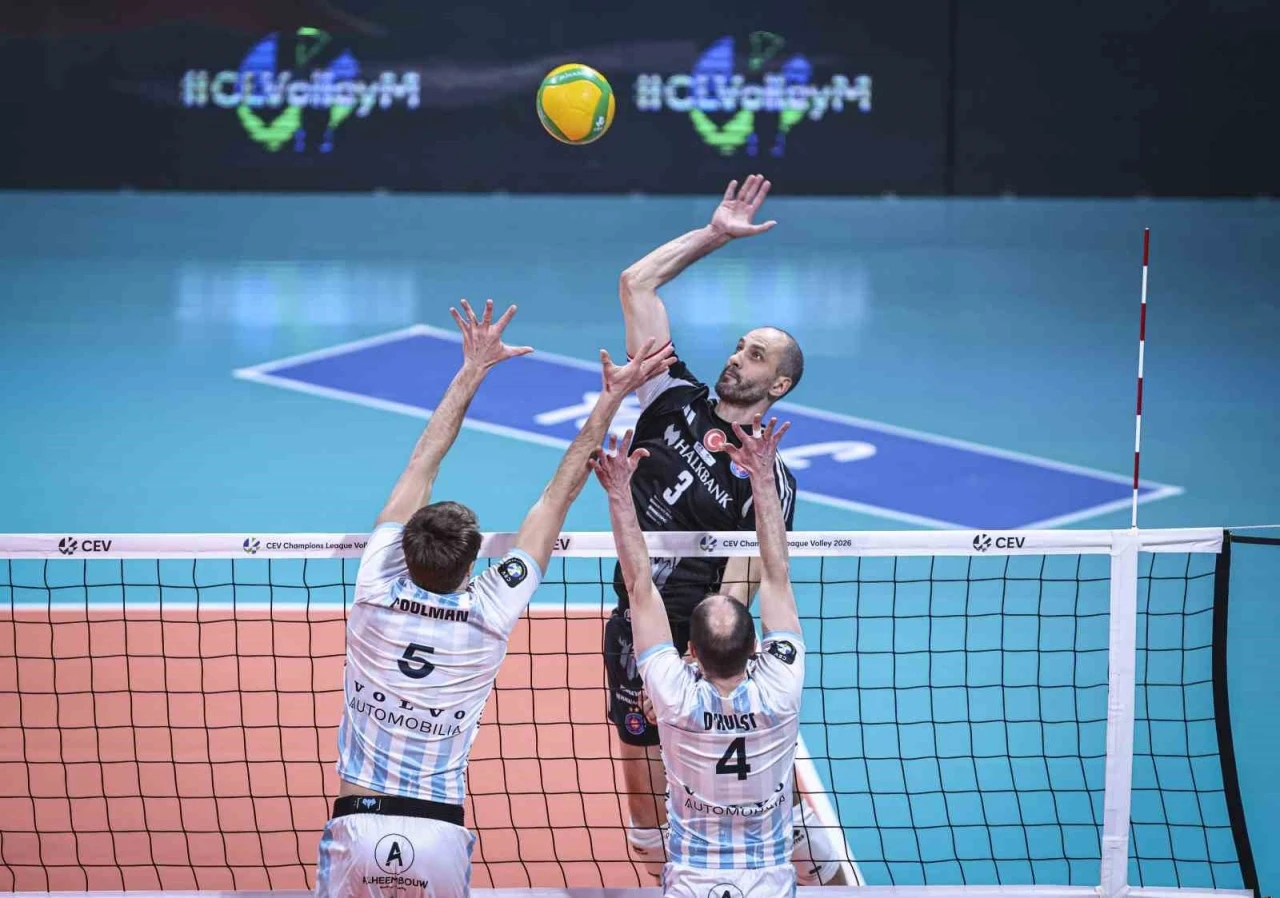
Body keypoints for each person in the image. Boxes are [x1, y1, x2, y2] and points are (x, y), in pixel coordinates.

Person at [314, 298, 675, 898]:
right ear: (472, 563)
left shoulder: (374, 588)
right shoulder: (488, 611)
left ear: (405, 549)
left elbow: (423, 462)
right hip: (439, 830)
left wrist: (472, 367)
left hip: (357, 820)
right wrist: (612, 397)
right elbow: (556, 497)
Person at [607, 174, 846, 885]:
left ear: (779, 386)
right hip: (634, 618)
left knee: (746, 776)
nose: (738, 357)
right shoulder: (670, 395)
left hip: (704, 643)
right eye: (741, 345)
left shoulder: (768, 479)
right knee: (640, 781)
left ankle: (813, 856)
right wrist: (714, 235)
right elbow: (636, 283)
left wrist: (690, 667)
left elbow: (743, 587)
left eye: (757, 355)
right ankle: (665, 862)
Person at [594, 416, 808, 897]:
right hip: (769, 881)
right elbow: (776, 575)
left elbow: (640, 586)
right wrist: (763, 479)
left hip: (693, 879)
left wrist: (620, 494)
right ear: (755, 650)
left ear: (689, 652)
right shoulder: (782, 686)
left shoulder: (672, 696)